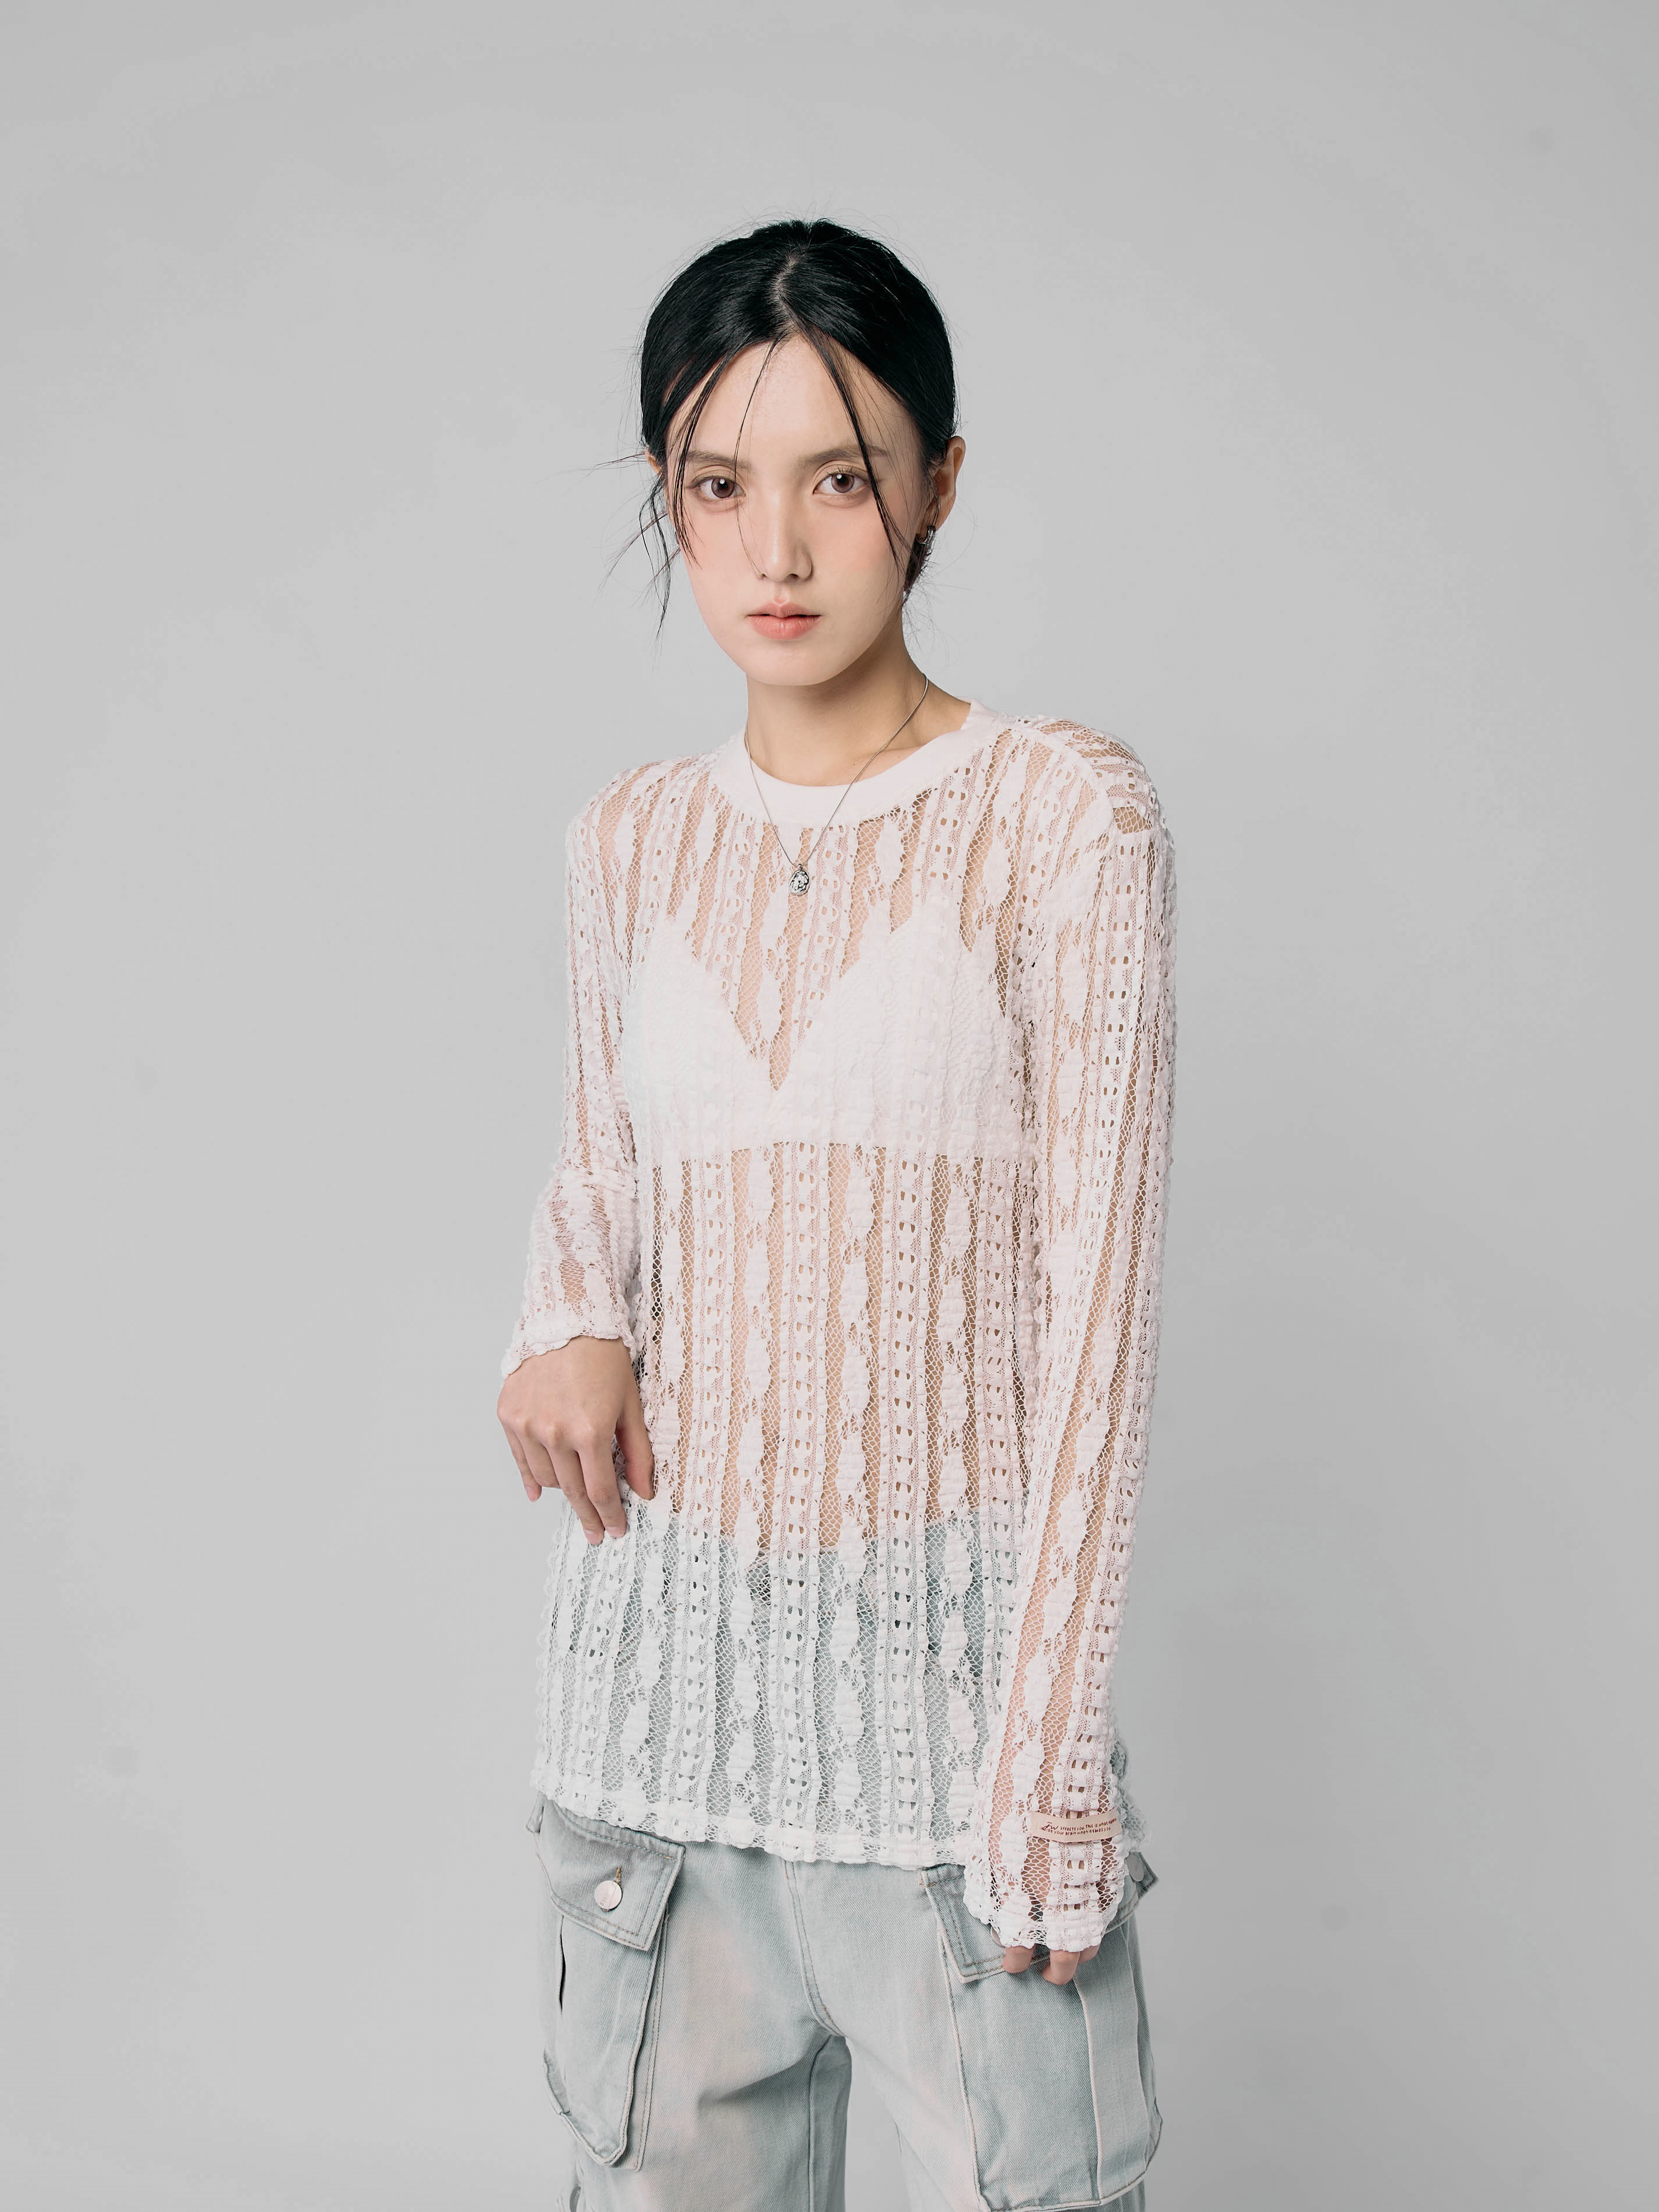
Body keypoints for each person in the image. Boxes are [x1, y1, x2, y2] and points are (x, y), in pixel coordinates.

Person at [497, 216, 1177, 2212]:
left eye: (840, 478)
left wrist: (1046, 1767)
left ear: (935, 486)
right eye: (719, 486)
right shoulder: (627, 839)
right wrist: (561, 1308)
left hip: (952, 1767)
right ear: (669, 499)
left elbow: (1102, 1316)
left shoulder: (1060, 813)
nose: (775, 550)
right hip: (654, 1751)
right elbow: (601, 1167)